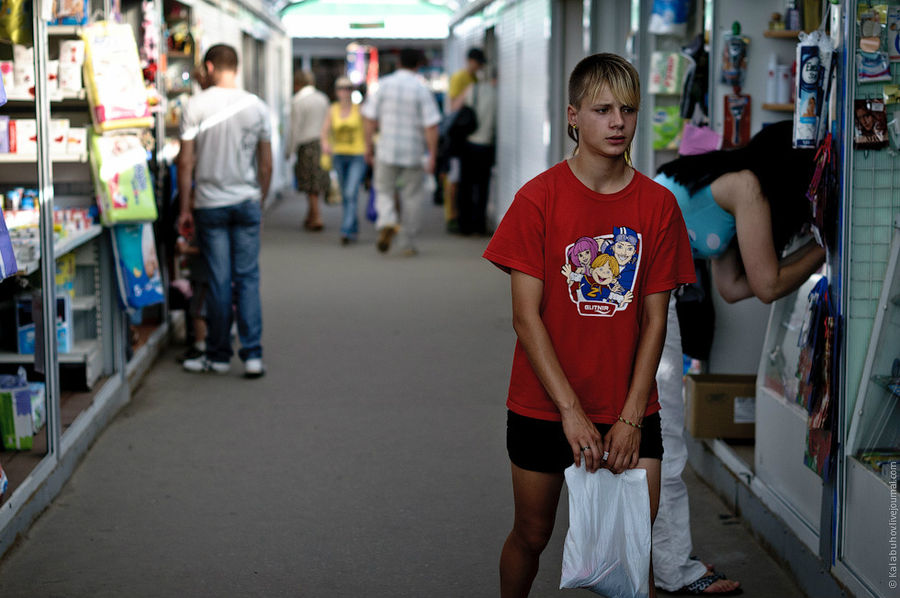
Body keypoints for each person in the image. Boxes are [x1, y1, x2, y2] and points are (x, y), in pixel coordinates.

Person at [483, 53, 695, 598]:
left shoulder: (658, 205)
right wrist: (570, 413)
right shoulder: (538, 199)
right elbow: (524, 318)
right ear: (574, 115)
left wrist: (629, 417)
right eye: (603, 110)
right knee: (532, 535)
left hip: (629, 407)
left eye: (627, 109)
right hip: (544, 402)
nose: (618, 122)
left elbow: (655, 319)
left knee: (632, 546)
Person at [650, 120, 824, 595]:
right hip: (641, 295)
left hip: (632, 287)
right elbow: (768, 286)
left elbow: (732, 288)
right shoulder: (746, 187)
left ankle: (656, 559)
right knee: (664, 437)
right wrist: (825, 246)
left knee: (648, 433)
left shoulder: (721, 182)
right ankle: (673, 571)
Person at [177, 44, 272, 378]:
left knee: (219, 281)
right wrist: (259, 200)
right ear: (237, 66)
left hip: (210, 204)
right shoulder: (257, 106)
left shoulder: (195, 105)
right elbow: (266, 162)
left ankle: (217, 357)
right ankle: (253, 356)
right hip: (246, 201)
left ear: (209, 66)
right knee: (247, 279)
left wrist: (185, 207)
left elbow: (186, 162)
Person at [361, 48, 441, 256]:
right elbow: (431, 126)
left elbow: (369, 119)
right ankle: (407, 242)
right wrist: (432, 155)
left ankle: (387, 221)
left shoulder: (383, 85)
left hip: (386, 149)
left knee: (384, 189)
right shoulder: (421, 89)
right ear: (417, 65)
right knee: (412, 196)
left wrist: (367, 147)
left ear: (398, 63)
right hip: (413, 152)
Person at [443, 47, 487, 233]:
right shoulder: (460, 78)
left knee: (462, 179)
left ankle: (460, 214)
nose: (478, 67)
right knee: (453, 178)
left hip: (468, 133)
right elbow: (453, 105)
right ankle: (451, 216)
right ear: (470, 61)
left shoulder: (475, 79)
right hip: (457, 135)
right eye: (477, 63)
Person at [320, 76, 366, 245]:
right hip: (338, 155)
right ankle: (352, 226)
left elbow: (368, 131)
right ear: (336, 91)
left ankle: (346, 229)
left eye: (347, 88)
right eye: (340, 88)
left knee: (350, 191)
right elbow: (325, 131)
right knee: (346, 195)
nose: (344, 91)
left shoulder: (359, 109)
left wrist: (369, 150)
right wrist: (325, 144)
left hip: (357, 154)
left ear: (352, 91)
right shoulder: (332, 109)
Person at [455, 66, 497, 236]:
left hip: (469, 143)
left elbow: (454, 108)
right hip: (486, 146)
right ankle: (479, 225)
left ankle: (464, 226)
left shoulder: (473, 89)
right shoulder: (498, 94)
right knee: (482, 186)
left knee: (465, 185)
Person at [287, 70, 330, 231]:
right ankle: (311, 214)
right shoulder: (323, 98)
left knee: (309, 181)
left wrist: (289, 150)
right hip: (321, 142)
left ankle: (316, 216)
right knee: (316, 179)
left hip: (306, 144)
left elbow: (294, 128)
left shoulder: (298, 101)